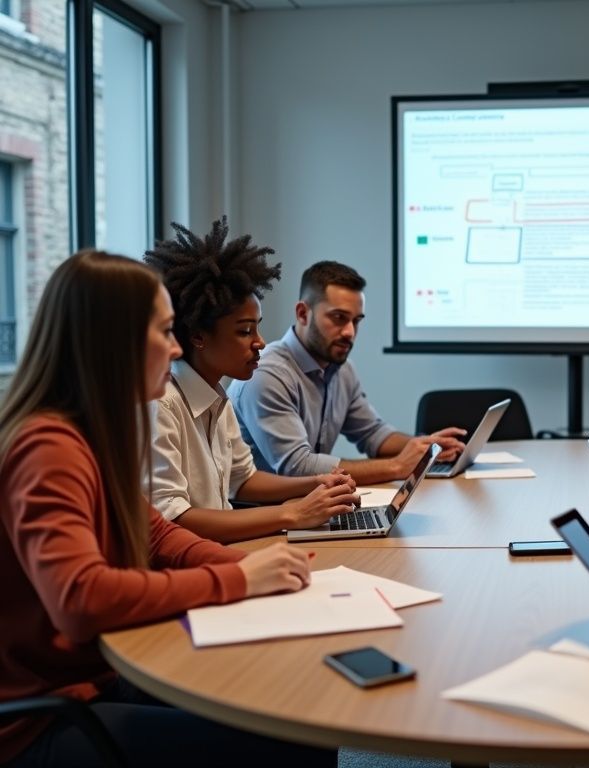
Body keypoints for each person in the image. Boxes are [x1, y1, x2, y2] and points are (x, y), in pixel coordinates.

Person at [0, 251, 336, 766]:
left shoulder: (88, 434)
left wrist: (250, 566)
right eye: (163, 332)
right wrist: (240, 581)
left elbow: (157, 535)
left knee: (289, 704)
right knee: (291, 736)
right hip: (41, 719)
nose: (176, 346)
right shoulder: (48, 447)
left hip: (96, 681)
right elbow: (82, 599)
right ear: (113, 344)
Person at [144, 219, 360, 543]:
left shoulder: (217, 394)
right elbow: (172, 520)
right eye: (245, 331)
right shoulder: (162, 403)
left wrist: (317, 484)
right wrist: (294, 514)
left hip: (218, 554)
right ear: (198, 336)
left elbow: (243, 480)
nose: (260, 341)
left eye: (257, 328)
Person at [228, 261, 465, 485]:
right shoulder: (267, 374)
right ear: (302, 313)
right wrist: (396, 467)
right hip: (260, 514)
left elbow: (372, 434)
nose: (350, 332)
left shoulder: (342, 369)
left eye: (356, 321)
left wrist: (426, 447)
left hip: (308, 504)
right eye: (339, 318)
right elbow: (296, 466)